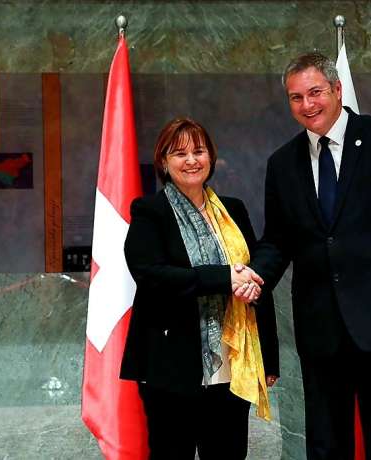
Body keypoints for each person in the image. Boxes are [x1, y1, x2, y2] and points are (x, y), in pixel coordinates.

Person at [242, 52, 371, 459]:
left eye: (315, 92)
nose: (307, 105)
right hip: (320, 327)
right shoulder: (283, 163)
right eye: (296, 98)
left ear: (336, 90)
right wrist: (254, 276)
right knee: (325, 445)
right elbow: (278, 240)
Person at [120, 117, 279, 459]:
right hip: (171, 366)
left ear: (211, 157)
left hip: (233, 363)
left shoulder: (232, 210)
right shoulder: (150, 212)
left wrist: (268, 358)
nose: (191, 160)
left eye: (199, 150)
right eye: (179, 153)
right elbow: (152, 276)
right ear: (163, 161)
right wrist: (225, 279)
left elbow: (252, 277)